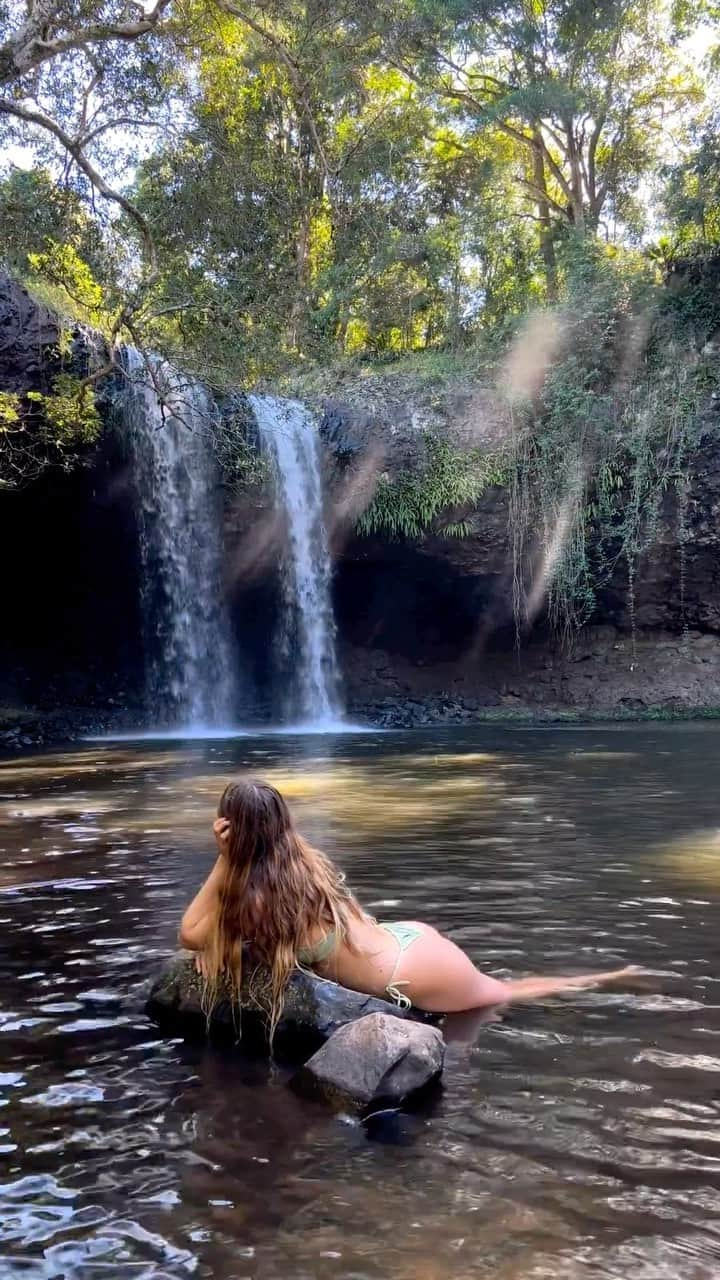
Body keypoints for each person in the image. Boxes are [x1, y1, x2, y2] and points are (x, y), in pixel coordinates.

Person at [179, 778, 636, 1028]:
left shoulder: (253, 899)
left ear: (229, 831)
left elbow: (190, 934)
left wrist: (224, 862)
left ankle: (617, 978)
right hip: (407, 941)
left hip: (409, 974)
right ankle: (608, 977)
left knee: (511, 995)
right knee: (505, 990)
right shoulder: (304, 860)